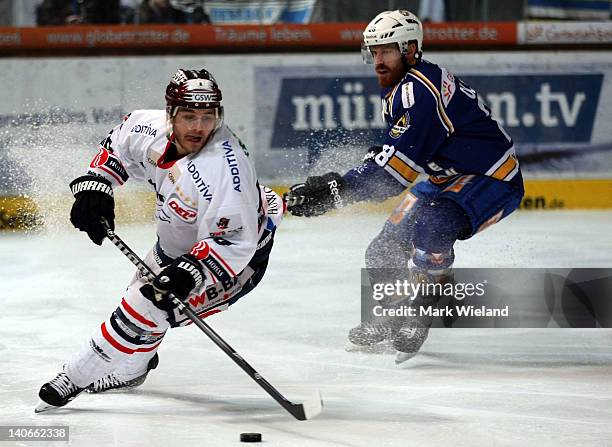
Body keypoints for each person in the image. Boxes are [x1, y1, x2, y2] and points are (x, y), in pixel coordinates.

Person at [36, 69, 284, 412]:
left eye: (207, 117)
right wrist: (97, 185)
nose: (199, 127)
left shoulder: (227, 170)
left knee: (144, 306)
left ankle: (73, 378)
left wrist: (190, 272)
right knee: (144, 301)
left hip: (235, 262)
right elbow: (116, 147)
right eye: (189, 116)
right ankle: (134, 369)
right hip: (176, 241)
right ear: (170, 115)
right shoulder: (146, 126)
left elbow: (233, 242)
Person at [284, 10, 524, 364]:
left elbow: (390, 176)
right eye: (373, 52)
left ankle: (424, 305)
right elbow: (390, 158)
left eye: (387, 51)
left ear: (411, 48)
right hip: (445, 178)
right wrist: (337, 187)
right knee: (382, 251)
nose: (378, 61)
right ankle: (394, 312)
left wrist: (334, 190)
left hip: (492, 178)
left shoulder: (419, 92)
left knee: (435, 224)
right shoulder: (403, 85)